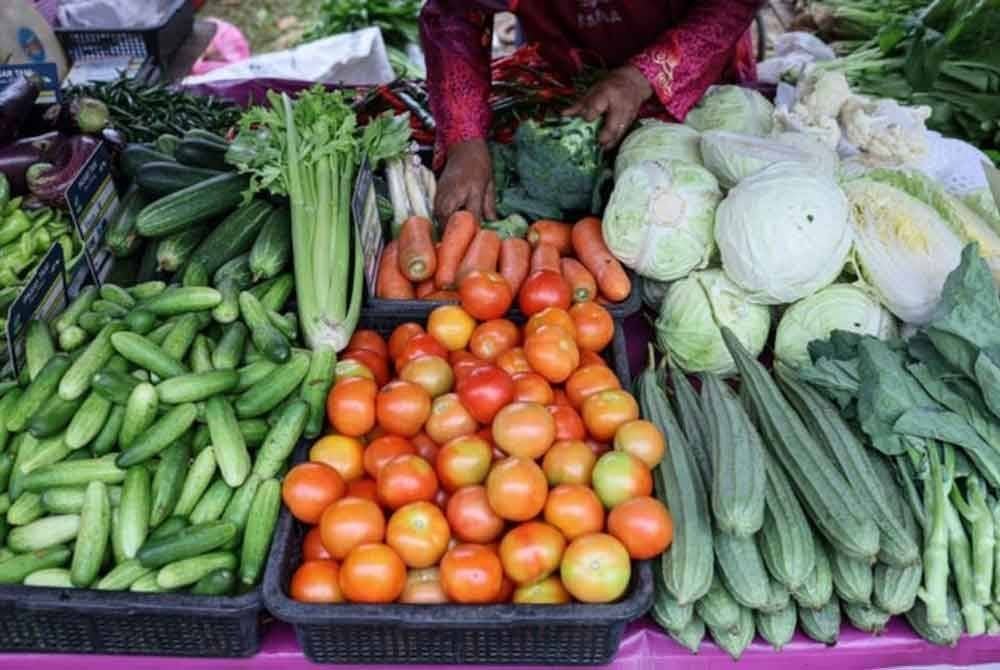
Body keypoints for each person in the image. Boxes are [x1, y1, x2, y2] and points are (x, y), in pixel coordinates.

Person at [421, 0, 762, 221]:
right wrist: (464, 136)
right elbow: (454, 13)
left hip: (695, 74)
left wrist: (645, 75)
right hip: (575, 72)